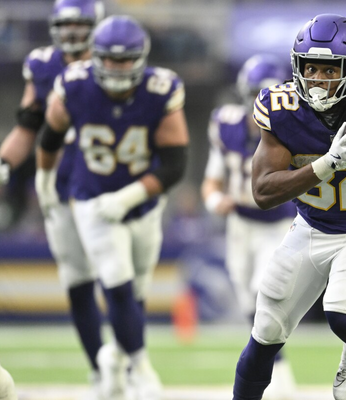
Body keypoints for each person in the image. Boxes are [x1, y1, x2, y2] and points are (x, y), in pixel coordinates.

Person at [232, 13, 346, 400]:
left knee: (342, 313)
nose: (318, 79)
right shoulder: (281, 106)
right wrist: (329, 164)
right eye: (310, 68)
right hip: (310, 228)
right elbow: (263, 191)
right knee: (265, 332)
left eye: (329, 69)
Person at [35, 14, 189, 400]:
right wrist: (44, 178)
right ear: (95, 56)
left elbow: (175, 164)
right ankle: (141, 368)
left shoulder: (160, 88)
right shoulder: (75, 84)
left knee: (136, 291)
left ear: (141, 58)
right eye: (109, 59)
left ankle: (116, 359)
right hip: (92, 197)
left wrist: (129, 197)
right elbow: (50, 135)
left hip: (143, 202)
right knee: (115, 281)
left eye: (125, 60)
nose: (117, 68)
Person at [0, 0, 104, 398]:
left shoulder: (114, 60)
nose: (71, 32)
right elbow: (27, 126)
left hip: (110, 186)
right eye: (65, 24)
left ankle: (132, 361)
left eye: (80, 24)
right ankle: (101, 370)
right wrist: (3, 165)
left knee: (122, 277)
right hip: (62, 185)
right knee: (78, 280)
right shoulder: (43, 65)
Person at [201, 54, 296, 400]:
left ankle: (278, 370)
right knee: (247, 300)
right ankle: (277, 365)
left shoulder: (295, 130)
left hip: (278, 223)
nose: (261, 103)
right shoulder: (225, 125)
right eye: (256, 94)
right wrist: (216, 201)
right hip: (240, 225)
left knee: (262, 290)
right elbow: (211, 182)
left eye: (267, 95)